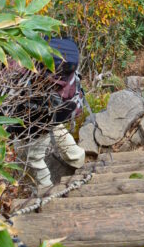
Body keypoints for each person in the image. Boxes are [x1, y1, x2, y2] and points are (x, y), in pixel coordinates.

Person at [7, 38, 86, 192]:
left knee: (34, 157)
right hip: (60, 107)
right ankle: (79, 159)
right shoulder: (38, 49)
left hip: (41, 113)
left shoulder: (18, 66)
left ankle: (46, 190)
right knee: (57, 127)